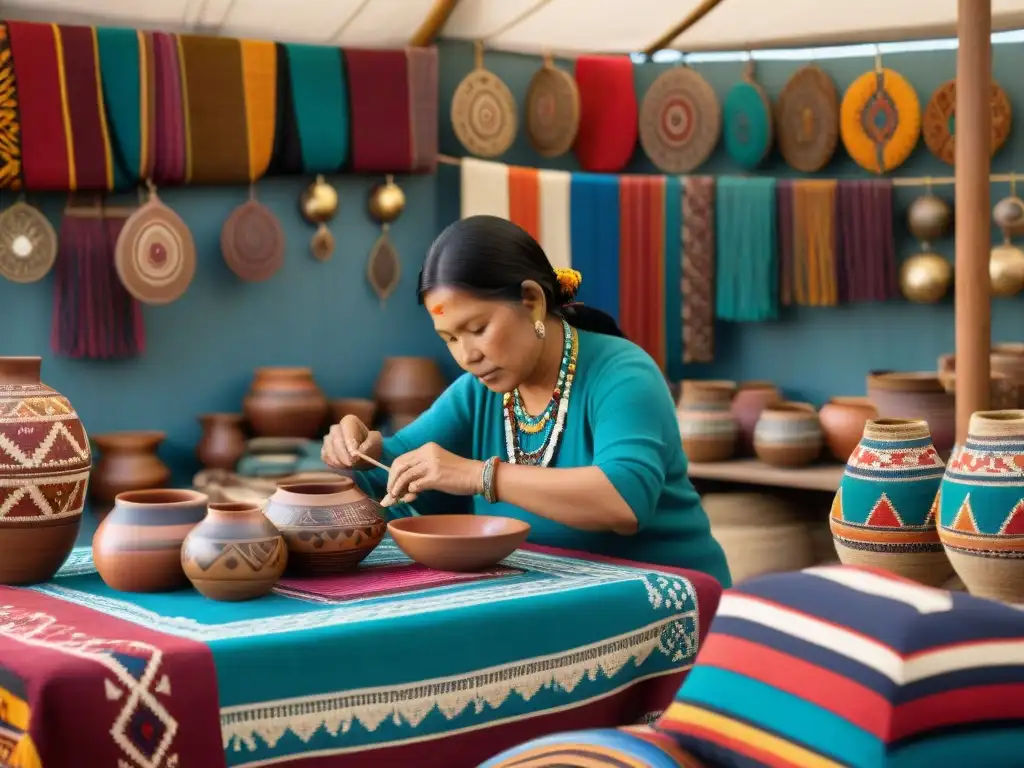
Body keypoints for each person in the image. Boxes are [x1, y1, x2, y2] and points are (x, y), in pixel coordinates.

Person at [321, 215, 731, 587]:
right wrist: (360, 451)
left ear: (532, 300)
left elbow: (624, 499)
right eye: (449, 339)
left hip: (669, 604)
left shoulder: (622, 373)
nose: (467, 355)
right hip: (554, 601)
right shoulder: (480, 392)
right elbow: (393, 471)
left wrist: (479, 476)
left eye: (478, 328)